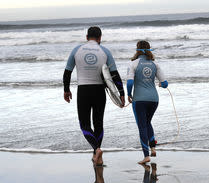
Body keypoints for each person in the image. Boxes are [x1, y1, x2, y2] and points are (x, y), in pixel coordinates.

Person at [63, 26, 125, 166]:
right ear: (100, 37)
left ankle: (96, 150)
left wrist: (66, 90)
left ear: (86, 37)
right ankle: (96, 154)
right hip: (99, 91)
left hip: (83, 91)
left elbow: (67, 72)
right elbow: (114, 74)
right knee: (98, 123)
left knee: (84, 124)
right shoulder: (105, 51)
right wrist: (121, 93)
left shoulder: (76, 50)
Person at [126, 40, 168, 164]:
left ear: (137, 50)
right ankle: (153, 148)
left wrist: (129, 94)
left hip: (139, 100)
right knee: (147, 122)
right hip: (154, 100)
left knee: (142, 126)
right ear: (149, 49)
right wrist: (160, 84)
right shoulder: (155, 64)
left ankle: (146, 156)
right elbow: (165, 84)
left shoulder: (133, 63)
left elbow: (129, 82)